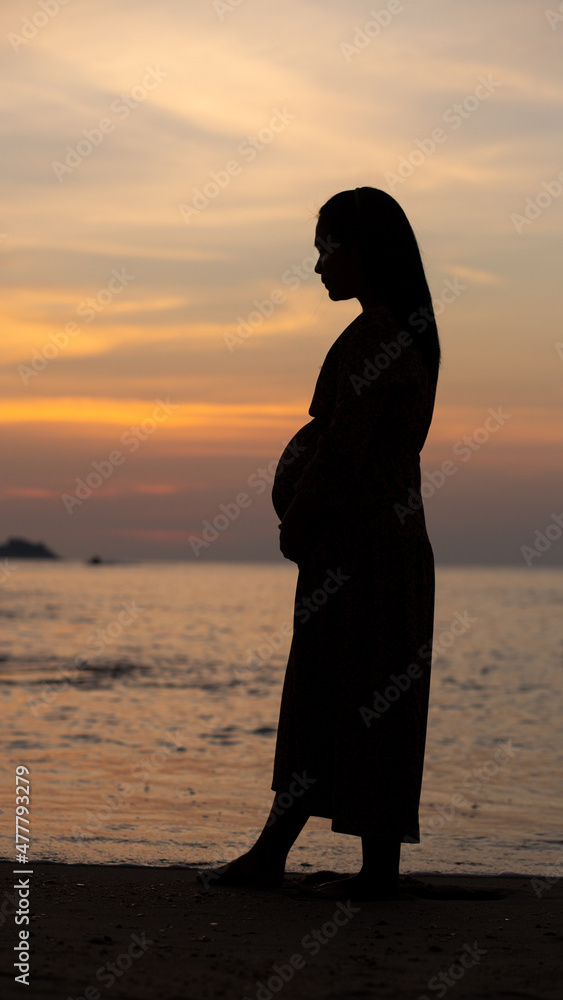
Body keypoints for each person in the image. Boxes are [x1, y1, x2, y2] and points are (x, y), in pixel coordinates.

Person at [204, 186, 440, 899]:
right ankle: (367, 869)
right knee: (372, 698)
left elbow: (342, 451)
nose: (317, 267)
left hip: (358, 548)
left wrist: (298, 518)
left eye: (325, 249)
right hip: (385, 548)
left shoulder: (376, 337)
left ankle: (282, 856)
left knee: (323, 696)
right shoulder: (405, 329)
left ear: (363, 250)